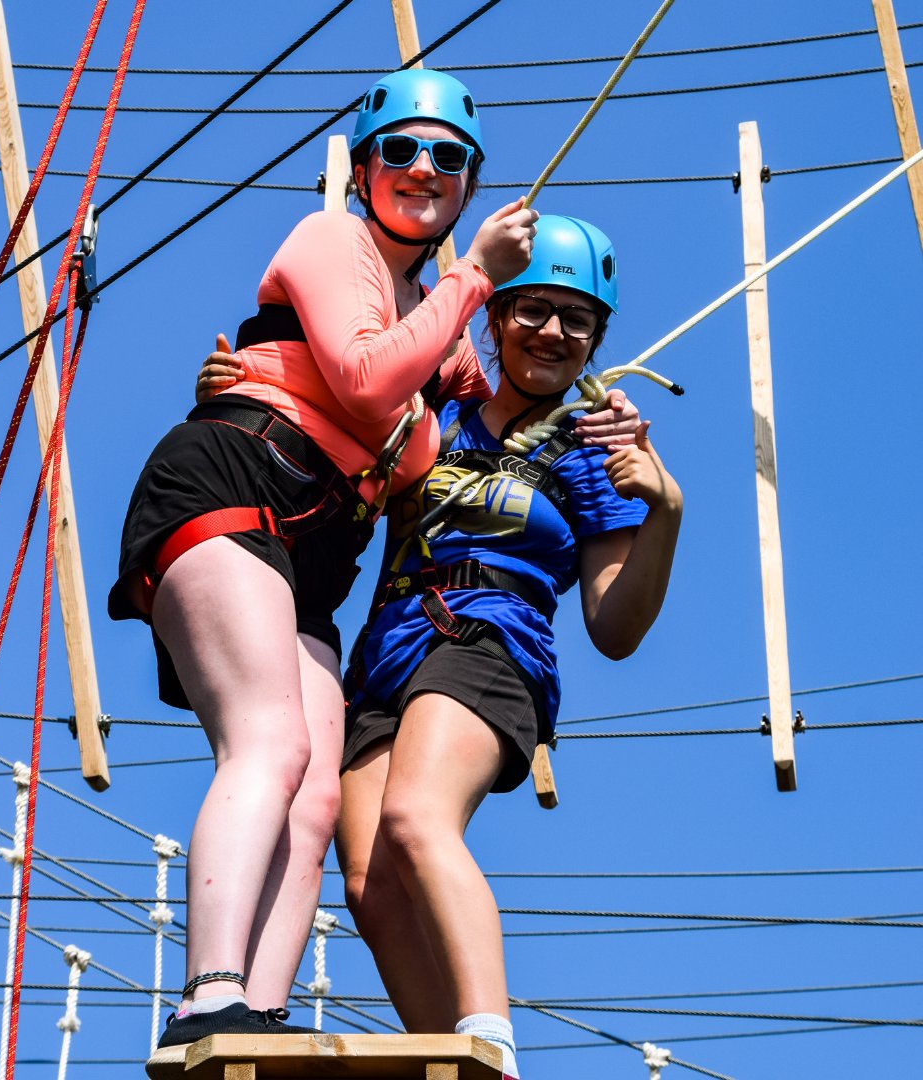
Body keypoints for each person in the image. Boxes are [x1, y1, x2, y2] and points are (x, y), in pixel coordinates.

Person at [109, 68, 539, 1050]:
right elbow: (358, 372)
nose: (423, 169)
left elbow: (496, 412)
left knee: (315, 789)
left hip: (306, 552)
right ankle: (209, 990)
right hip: (233, 485)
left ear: (469, 179)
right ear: (362, 168)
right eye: (402, 149)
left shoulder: (431, 320)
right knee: (268, 740)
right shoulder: (332, 241)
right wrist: (474, 274)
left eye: (447, 157)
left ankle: (255, 1010)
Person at [333, 216, 683, 1080]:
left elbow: (615, 628)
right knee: (371, 883)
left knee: (417, 820)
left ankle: (491, 1042)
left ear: (598, 338)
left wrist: (664, 513)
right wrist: (240, 388)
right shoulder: (436, 411)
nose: (555, 333)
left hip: (489, 638)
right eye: (534, 310)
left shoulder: (594, 448)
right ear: (495, 317)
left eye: (578, 321)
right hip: (387, 648)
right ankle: (445, 1059)